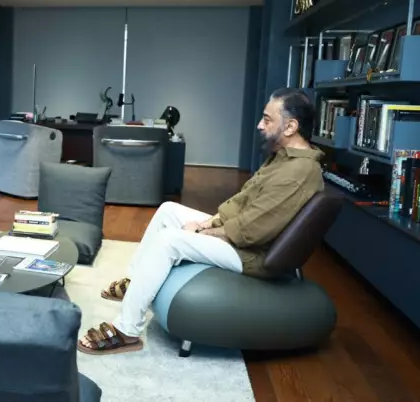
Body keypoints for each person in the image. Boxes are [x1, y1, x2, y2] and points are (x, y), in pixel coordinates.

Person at [78, 88, 325, 355]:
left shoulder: (298, 172)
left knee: (169, 241)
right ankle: (136, 282)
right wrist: (208, 223)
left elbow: (250, 232)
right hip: (242, 234)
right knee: (168, 210)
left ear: (290, 126)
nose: (259, 125)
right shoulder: (283, 158)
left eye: (267, 119)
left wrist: (201, 232)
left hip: (251, 254)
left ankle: (127, 330)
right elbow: (242, 203)